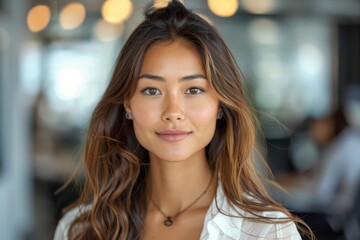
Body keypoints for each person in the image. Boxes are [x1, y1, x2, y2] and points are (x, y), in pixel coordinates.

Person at [54, 1, 312, 239]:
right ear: (127, 104)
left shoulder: (267, 232)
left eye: (194, 90)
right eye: (152, 90)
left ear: (220, 104)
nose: (173, 112)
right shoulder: (80, 228)